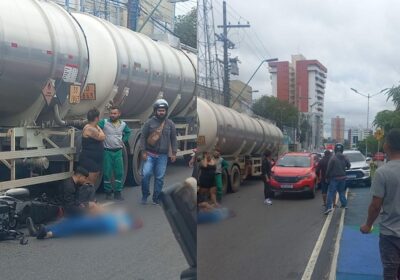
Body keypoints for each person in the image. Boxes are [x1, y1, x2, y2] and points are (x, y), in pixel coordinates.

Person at [360, 129, 400, 279]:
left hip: (390, 234)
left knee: (390, 272)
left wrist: (368, 225)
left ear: (387, 146)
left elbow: (376, 205)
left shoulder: (383, 172)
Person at [140, 99, 177, 205]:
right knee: (146, 174)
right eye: (159, 110)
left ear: (166, 111)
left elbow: (173, 139)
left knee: (159, 178)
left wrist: (174, 153)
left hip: (163, 156)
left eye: (163, 110)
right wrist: (143, 151)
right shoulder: (149, 122)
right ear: (155, 111)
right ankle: (145, 194)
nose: (161, 112)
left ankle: (156, 198)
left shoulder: (170, 124)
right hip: (150, 154)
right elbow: (143, 137)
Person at [28, 208, 143, 239]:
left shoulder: (127, 224)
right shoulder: (123, 216)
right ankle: (43, 231)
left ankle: (47, 233)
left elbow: (119, 229)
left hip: (101, 226)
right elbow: (109, 213)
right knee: (72, 222)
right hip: (99, 221)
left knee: (74, 226)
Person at [98, 106, 131, 200]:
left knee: (119, 173)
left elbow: (128, 132)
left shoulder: (123, 125)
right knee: (107, 173)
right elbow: (96, 128)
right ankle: (108, 192)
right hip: (107, 152)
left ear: (119, 114)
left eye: (114, 113)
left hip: (118, 152)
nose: (112, 115)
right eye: (111, 113)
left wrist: (123, 141)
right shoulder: (104, 122)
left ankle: (118, 192)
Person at [79, 108, 105, 185]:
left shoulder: (93, 127)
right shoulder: (89, 128)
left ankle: (91, 196)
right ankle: (88, 196)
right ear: (97, 118)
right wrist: (99, 128)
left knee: (93, 181)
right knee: (89, 182)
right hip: (89, 159)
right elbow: (103, 137)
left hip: (95, 159)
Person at [324, 143, 351, 215]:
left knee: (331, 193)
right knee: (341, 191)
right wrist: (345, 168)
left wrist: (326, 177)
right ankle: (344, 204)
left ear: (335, 149)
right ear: (342, 150)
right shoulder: (345, 157)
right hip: (343, 178)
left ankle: (328, 207)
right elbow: (349, 166)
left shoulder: (333, 158)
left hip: (334, 178)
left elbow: (329, 169)